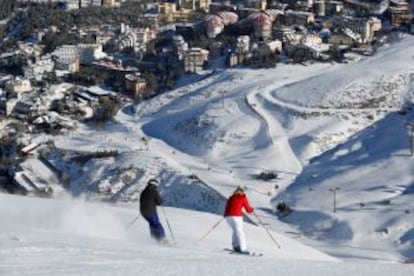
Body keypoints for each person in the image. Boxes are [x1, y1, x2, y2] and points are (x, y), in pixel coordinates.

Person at [224, 186, 254, 254]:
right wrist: (252, 210)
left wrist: (226, 214)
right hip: (236, 216)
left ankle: (236, 246)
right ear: (242, 192)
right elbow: (248, 209)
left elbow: (227, 206)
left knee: (235, 230)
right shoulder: (242, 197)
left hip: (228, 216)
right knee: (240, 232)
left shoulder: (231, 197)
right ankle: (243, 249)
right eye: (243, 191)